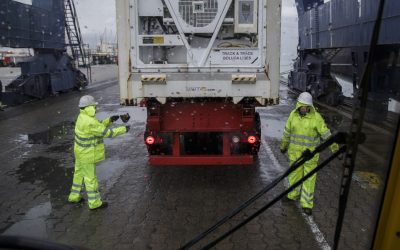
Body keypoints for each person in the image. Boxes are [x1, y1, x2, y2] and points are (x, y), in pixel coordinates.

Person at [280, 92, 338, 215]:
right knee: (294, 176)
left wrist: (335, 149)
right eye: (301, 105)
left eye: (306, 106)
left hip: (310, 157)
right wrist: (283, 146)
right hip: (295, 155)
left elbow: (326, 134)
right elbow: (286, 133)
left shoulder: (316, 118)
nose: (303, 108)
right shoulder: (292, 115)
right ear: (298, 105)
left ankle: (306, 204)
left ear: (310, 106)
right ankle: (292, 195)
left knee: (309, 179)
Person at [68, 95, 130, 210]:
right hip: (87, 154)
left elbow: (98, 126)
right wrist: (124, 129)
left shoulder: (82, 117)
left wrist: (110, 120)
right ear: (89, 107)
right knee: (90, 179)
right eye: (94, 106)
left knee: (78, 175)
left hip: (80, 153)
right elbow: (106, 133)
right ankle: (94, 203)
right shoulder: (90, 121)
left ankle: (74, 196)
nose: (96, 108)